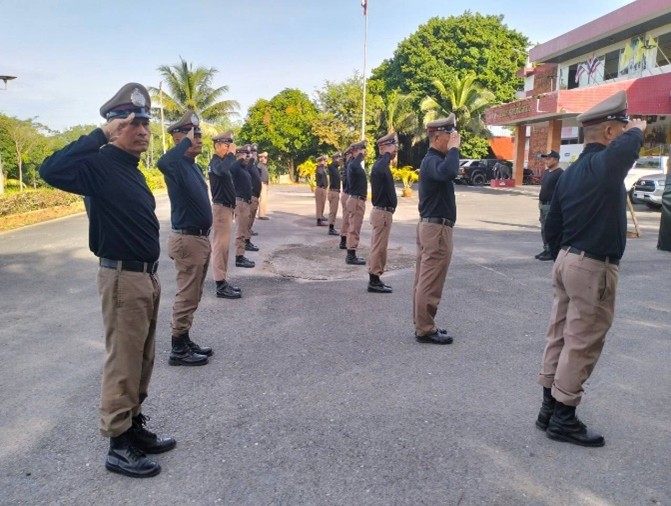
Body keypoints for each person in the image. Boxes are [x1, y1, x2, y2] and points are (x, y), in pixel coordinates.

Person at [39, 83, 175, 478]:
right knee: (124, 361)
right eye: (133, 123)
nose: (143, 131)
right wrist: (99, 134)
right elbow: (50, 170)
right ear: (115, 126)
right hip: (121, 278)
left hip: (144, 277)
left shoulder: (131, 169)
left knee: (142, 360)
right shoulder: (98, 165)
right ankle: (118, 444)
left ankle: (133, 426)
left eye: (145, 124)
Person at [536, 91, 645, 447]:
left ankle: (548, 409)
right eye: (622, 128)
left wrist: (561, 256)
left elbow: (552, 224)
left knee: (559, 335)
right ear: (611, 132)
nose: (628, 134)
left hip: (567, 259)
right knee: (582, 343)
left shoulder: (571, 173)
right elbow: (626, 152)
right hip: (592, 265)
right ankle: (563, 418)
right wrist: (638, 130)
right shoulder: (603, 166)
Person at [158, 111, 212, 367]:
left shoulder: (192, 166)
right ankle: (178, 348)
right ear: (178, 138)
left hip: (198, 240)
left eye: (199, 134)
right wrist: (184, 143)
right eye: (192, 134)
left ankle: (185, 338)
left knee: (194, 294)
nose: (198, 139)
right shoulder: (176, 165)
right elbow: (163, 162)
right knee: (187, 295)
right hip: (187, 240)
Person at [413, 114, 460, 345]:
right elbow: (450, 172)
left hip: (433, 227)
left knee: (425, 279)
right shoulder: (432, 160)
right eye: (450, 136)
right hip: (436, 229)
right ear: (438, 136)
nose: (454, 140)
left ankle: (423, 324)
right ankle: (425, 328)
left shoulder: (433, 160)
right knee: (431, 280)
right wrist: (454, 150)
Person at [208, 131, 243, 299]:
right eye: (226, 145)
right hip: (221, 209)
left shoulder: (222, 162)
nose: (229, 149)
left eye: (230, 146)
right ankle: (220, 285)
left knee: (224, 248)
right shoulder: (216, 162)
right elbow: (222, 171)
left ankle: (222, 281)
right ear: (217, 145)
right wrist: (231, 155)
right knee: (220, 247)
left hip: (227, 209)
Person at [368, 132, 399, 293]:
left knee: (380, 247)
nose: (395, 150)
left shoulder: (382, 164)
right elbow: (380, 170)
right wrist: (387, 154)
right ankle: (374, 281)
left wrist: (387, 154)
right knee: (379, 248)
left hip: (384, 214)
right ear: (382, 148)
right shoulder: (380, 165)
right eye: (392, 146)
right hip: (382, 213)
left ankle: (375, 278)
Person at [535, 150, 563, 261]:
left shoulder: (560, 173)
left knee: (549, 228)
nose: (546, 161)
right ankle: (546, 248)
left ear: (556, 160)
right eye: (546, 159)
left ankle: (552, 250)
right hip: (543, 204)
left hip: (551, 204)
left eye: (549, 159)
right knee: (543, 228)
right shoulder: (546, 172)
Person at [231, 144, 256, 268]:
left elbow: (251, 162)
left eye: (248, 154)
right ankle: (239, 257)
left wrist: (248, 157)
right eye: (245, 154)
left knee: (244, 230)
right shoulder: (236, 167)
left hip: (246, 202)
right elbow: (232, 167)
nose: (247, 157)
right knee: (240, 231)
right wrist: (240, 157)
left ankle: (241, 255)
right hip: (240, 203)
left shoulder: (243, 168)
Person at [345, 141, 368, 265]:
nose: (364, 153)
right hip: (356, 200)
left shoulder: (355, 164)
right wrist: (359, 154)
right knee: (354, 228)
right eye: (362, 151)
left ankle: (352, 253)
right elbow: (354, 164)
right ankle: (351, 256)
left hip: (357, 199)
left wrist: (359, 154)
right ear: (355, 151)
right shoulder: (353, 164)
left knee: (355, 227)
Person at [339, 147, 353, 249]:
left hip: (347, 193)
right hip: (347, 194)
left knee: (347, 218)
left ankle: (345, 239)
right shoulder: (349, 166)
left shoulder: (347, 165)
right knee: (347, 219)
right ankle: (343, 240)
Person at [247, 143, 262, 238]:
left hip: (256, 195)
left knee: (252, 216)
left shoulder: (254, 165)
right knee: (248, 217)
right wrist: (251, 158)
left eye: (255, 152)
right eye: (252, 152)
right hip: (251, 195)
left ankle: (248, 231)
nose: (254, 154)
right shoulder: (248, 164)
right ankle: (246, 237)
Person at [326, 152, 342, 236]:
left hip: (335, 191)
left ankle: (331, 227)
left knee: (333, 211)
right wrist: (336, 161)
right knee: (333, 211)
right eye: (339, 159)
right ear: (335, 159)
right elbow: (332, 165)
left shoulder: (335, 168)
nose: (340, 161)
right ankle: (331, 228)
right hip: (333, 192)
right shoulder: (332, 167)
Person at [314, 155, 328, 226]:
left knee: (322, 204)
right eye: (324, 161)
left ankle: (321, 216)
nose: (325, 162)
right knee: (319, 205)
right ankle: (319, 220)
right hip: (320, 188)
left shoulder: (323, 169)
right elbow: (320, 173)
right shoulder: (319, 169)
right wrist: (321, 164)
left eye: (326, 161)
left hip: (323, 188)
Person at [257, 151, 270, 220]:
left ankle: (263, 213)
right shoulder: (259, 165)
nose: (265, 159)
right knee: (263, 199)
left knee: (264, 199)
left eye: (266, 158)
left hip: (265, 183)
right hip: (262, 183)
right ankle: (261, 215)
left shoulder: (264, 166)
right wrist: (262, 155)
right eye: (264, 158)